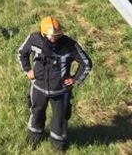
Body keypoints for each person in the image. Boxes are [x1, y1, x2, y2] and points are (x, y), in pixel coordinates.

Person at [17, 16, 91, 151]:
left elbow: (86, 63)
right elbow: (22, 53)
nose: (53, 38)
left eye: (56, 35)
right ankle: (34, 137)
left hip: (61, 92)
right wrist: (27, 70)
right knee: (36, 112)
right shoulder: (34, 39)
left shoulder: (70, 45)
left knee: (60, 118)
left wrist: (75, 79)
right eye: (50, 36)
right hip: (38, 88)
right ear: (42, 33)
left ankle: (58, 145)